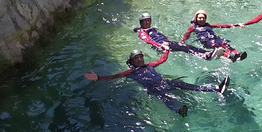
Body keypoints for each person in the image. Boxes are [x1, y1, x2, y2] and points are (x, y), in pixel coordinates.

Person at [84, 49, 230, 116]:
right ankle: (179, 111)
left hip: (163, 81)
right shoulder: (130, 73)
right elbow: (113, 77)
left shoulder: (150, 65)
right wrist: (98, 78)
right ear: (132, 61)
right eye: (137, 58)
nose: (140, 59)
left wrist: (166, 50)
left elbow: (162, 60)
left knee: (184, 85)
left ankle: (216, 89)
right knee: (165, 98)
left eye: (141, 57)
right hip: (152, 88)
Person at [135, 12, 224, 61]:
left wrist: (168, 39)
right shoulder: (142, 32)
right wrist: (160, 45)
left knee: (184, 46)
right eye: (145, 21)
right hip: (161, 46)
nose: (147, 22)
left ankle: (207, 53)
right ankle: (206, 55)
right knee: (184, 47)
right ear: (141, 23)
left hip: (165, 43)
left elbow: (161, 36)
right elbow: (148, 41)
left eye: (148, 20)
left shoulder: (152, 29)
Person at [181, 10, 247, 62]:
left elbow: (223, 26)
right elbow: (187, 34)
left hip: (215, 38)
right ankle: (230, 57)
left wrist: (237, 24)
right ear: (196, 19)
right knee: (217, 47)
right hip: (206, 41)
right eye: (199, 18)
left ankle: (238, 54)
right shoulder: (193, 28)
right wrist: (182, 41)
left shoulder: (209, 25)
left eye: (203, 18)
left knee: (224, 43)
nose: (201, 19)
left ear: (205, 19)